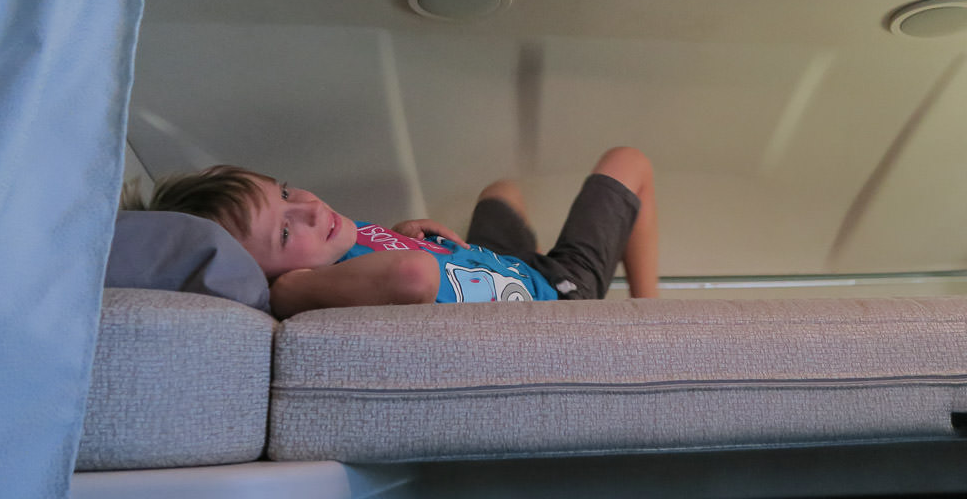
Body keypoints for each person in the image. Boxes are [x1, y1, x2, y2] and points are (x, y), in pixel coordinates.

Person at [125, 146, 658, 318]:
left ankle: (523, 247)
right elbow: (411, 274)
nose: (308, 209)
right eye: (284, 233)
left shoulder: (335, 242)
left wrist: (401, 232)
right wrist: (290, 291)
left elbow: (408, 255)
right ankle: (652, 310)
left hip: (493, 260)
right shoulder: (301, 285)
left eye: (287, 192)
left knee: (500, 190)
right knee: (629, 161)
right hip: (555, 288)